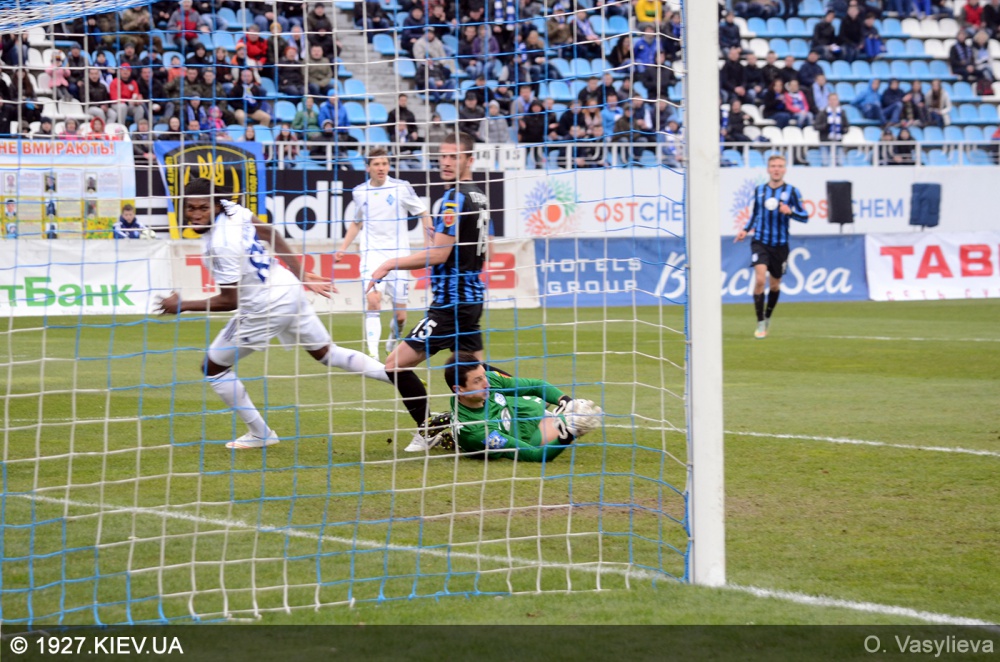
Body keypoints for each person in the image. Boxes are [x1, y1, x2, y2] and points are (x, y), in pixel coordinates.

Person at [155, 178, 390, 449]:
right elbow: (271, 234)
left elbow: (229, 301)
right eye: (191, 208)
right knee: (327, 353)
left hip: (263, 308)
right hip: (287, 287)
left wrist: (182, 305)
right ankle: (398, 375)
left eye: (203, 208)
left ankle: (261, 434)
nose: (196, 214)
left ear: (216, 206)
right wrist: (300, 275)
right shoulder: (235, 211)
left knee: (213, 367)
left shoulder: (219, 245)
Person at [367, 132, 492, 452]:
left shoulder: (453, 198)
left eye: (453, 156)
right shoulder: (479, 195)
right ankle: (540, 404)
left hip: (451, 303)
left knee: (395, 365)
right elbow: (485, 248)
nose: (445, 162)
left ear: (469, 159)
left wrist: (390, 263)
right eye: (442, 156)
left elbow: (438, 255)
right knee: (479, 375)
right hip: (472, 298)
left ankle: (429, 429)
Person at [335, 148, 433, 361]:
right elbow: (357, 222)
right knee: (373, 301)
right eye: (377, 164)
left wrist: (429, 245)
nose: (381, 168)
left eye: (385, 164)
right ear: (368, 167)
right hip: (371, 255)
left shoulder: (401, 188)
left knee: (400, 317)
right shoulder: (360, 192)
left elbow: (423, 213)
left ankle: (391, 342)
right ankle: (372, 355)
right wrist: (343, 247)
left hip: (399, 258)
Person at [426, 352, 602, 461]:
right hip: (519, 433)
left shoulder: (488, 382)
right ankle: (457, 439)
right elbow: (535, 455)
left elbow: (535, 385)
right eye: (478, 380)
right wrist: (569, 435)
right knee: (577, 421)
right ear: (459, 389)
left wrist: (567, 401)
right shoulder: (480, 432)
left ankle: (452, 426)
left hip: (516, 409)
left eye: (484, 376)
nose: (487, 383)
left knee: (548, 399)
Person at [734, 155, 808, 339]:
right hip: (760, 241)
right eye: (773, 166)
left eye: (780, 166)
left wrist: (790, 212)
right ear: (768, 169)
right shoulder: (760, 190)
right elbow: (755, 215)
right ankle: (760, 322)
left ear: (785, 170)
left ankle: (767, 316)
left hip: (780, 245)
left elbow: (805, 216)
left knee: (775, 285)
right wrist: (745, 230)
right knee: (760, 280)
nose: (776, 169)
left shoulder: (792, 191)